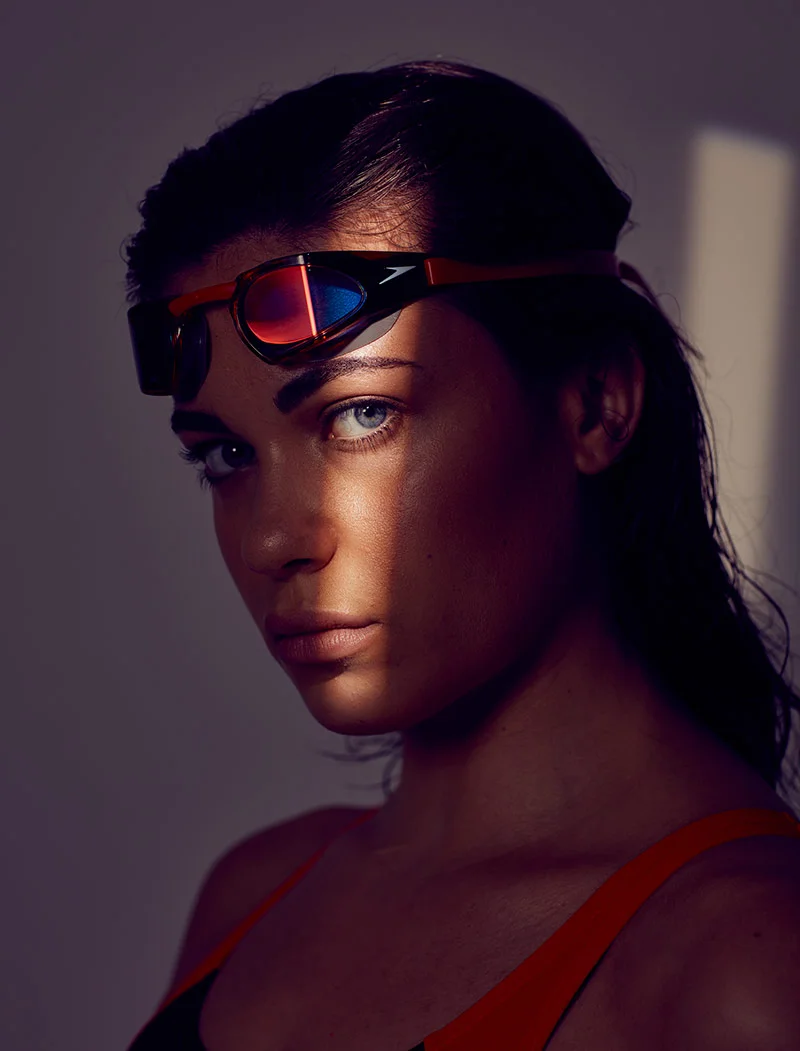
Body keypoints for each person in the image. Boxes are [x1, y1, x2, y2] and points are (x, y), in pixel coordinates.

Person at [122, 60, 800, 1050]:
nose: (271, 537)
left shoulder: (745, 967)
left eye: (361, 414)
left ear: (595, 402)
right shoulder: (252, 896)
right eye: (225, 455)